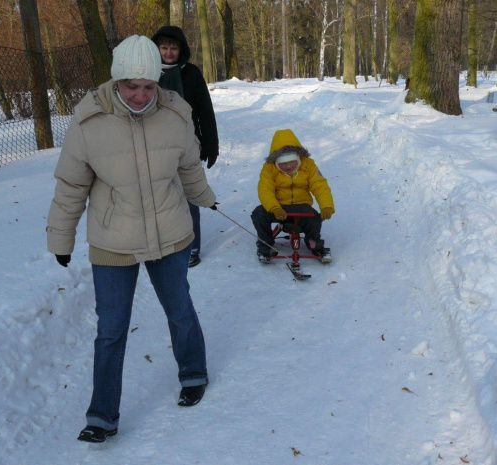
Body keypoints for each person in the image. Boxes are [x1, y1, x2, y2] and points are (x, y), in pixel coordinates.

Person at [46, 35, 216, 444]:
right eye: (131, 86)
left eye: (149, 86)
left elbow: (189, 167)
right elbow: (71, 184)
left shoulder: (175, 113)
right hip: (114, 239)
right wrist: (61, 238)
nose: (140, 95)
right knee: (112, 328)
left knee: (179, 309)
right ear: (116, 81)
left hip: (170, 232)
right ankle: (102, 415)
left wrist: (205, 199)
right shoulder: (89, 120)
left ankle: (193, 372)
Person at [151, 25, 219, 268]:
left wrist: (211, 144)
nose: (169, 52)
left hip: (187, 142)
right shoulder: (146, 72)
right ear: (156, 48)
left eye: (173, 48)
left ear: (181, 50)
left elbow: (204, 110)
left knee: (189, 195)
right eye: (164, 47)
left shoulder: (191, 73)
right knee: (158, 197)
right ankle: (162, 242)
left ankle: (192, 246)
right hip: (153, 145)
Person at [251, 129, 335, 263]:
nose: (289, 166)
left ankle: (314, 243)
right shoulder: (269, 168)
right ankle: (265, 243)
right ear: (276, 162)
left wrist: (326, 205)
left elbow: (319, 185)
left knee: (314, 219)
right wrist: (274, 208)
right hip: (279, 207)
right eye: (283, 163)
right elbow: (265, 190)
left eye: (292, 162)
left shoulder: (308, 165)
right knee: (258, 214)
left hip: (301, 206)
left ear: (298, 157)